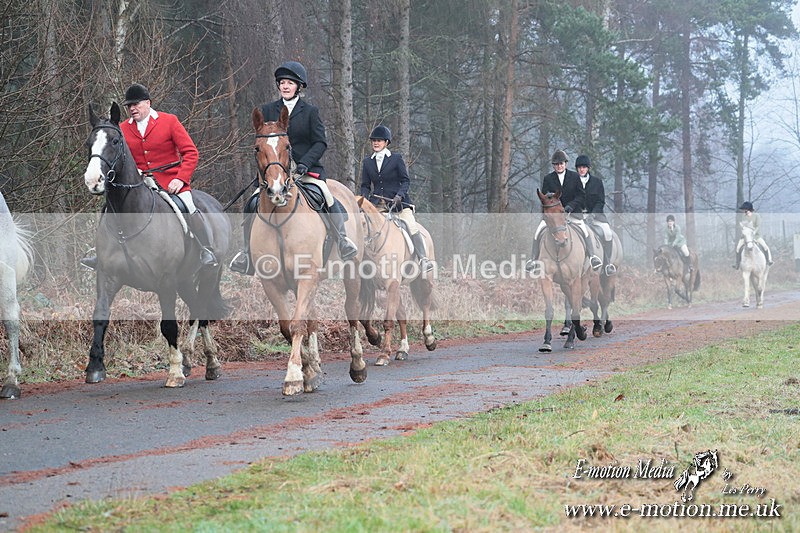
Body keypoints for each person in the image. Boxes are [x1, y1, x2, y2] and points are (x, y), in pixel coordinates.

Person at [229, 61, 357, 275]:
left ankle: (343, 240)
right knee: (252, 202)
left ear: (299, 86)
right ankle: (246, 253)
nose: (285, 86)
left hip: (305, 171)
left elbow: (320, 142)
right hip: (275, 173)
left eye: (290, 83)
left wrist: (305, 163)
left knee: (326, 196)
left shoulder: (310, 112)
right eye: (282, 83)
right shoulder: (269, 110)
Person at [81, 83, 217, 270]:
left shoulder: (169, 121)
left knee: (189, 206)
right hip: (139, 184)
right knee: (110, 209)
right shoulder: (121, 129)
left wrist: (180, 178)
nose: (132, 108)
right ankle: (101, 254)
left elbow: (191, 153)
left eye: (136, 104)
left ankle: (205, 249)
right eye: (129, 106)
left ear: (148, 102)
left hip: (171, 182)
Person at [359, 125, 432, 272]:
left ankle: (423, 259)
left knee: (411, 226)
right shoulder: (367, 162)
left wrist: (399, 195)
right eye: (373, 140)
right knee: (365, 228)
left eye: (379, 140)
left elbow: (405, 181)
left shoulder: (396, 159)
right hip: (377, 206)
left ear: (386, 142)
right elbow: (365, 185)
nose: (376, 143)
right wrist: (364, 200)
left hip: (399, 205)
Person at [526, 149, 601, 272]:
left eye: (561, 163)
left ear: (565, 164)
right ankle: (533, 259)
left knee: (584, 230)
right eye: (556, 164)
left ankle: (592, 257)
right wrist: (549, 197)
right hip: (555, 215)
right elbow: (544, 197)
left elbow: (581, 196)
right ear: (553, 166)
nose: (559, 166)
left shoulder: (575, 177)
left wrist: (570, 206)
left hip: (572, 213)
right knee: (538, 230)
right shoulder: (548, 179)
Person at [575, 155, 616, 275]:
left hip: (595, 216)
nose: (581, 169)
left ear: (588, 168)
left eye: (584, 167)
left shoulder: (597, 182)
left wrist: (592, 214)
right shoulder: (571, 182)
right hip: (576, 216)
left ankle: (607, 263)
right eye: (579, 167)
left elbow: (600, 201)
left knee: (607, 233)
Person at [733, 201, 773, 268]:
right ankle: (737, 264)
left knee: (765, 246)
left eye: (745, 209)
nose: (744, 211)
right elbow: (744, 225)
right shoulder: (743, 216)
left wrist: (754, 232)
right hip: (746, 237)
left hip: (756, 236)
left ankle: (768, 261)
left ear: (748, 209)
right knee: (738, 248)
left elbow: (758, 225)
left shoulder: (757, 216)